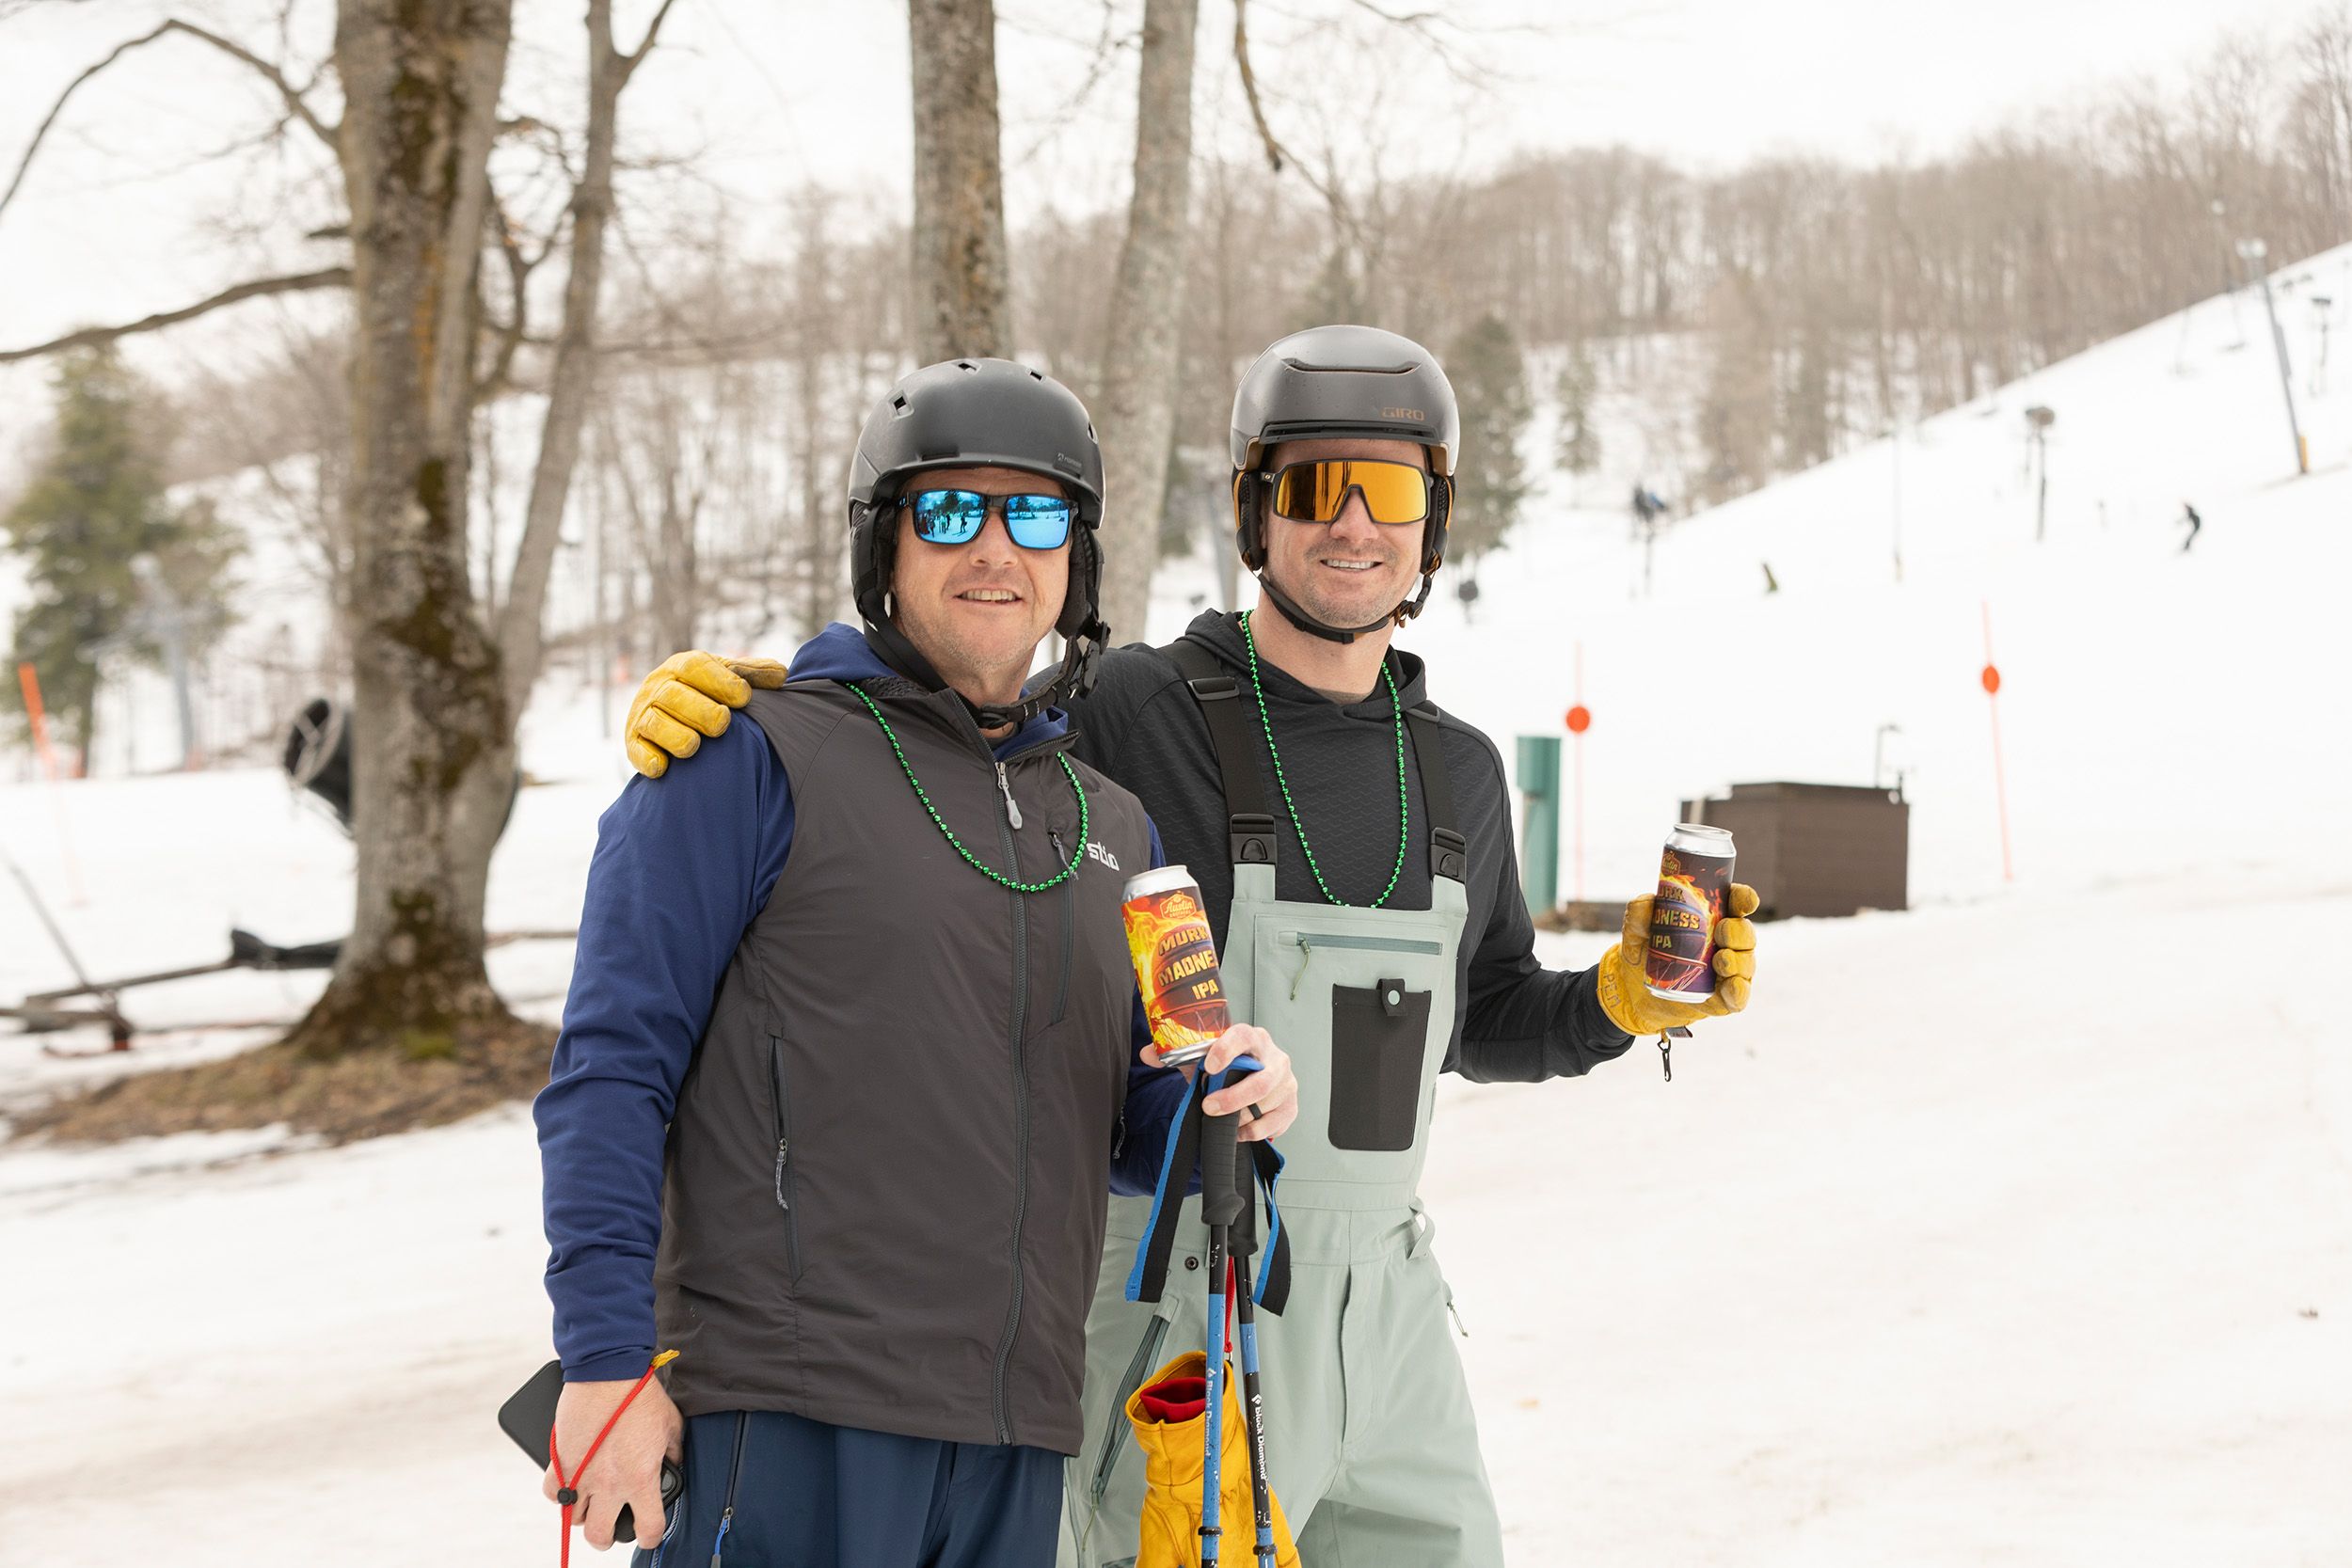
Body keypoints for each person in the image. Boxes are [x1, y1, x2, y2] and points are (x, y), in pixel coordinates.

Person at [628, 325, 1760, 1567]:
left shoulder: (1457, 769)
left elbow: (1479, 1017)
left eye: (1388, 492)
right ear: (1252, 510)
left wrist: (1616, 1001)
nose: (1352, 525)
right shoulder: (1127, 708)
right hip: (1174, 1302)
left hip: (1387, 1314)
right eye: (1313, 487)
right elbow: (945, 727)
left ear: (1433, 525)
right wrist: (766, 705)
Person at [533, 356, 1298, 1567]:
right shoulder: (745, 760)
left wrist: (1227, 1096)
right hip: (788, 1418)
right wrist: (605, 1363)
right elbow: (609, 1073)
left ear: (1076, 559)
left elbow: (1131, 1118)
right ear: (883, 545)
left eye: (1034, 515)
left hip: (1015, 1436)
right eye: (948, 512)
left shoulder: (1115, 829)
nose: (994, 547)